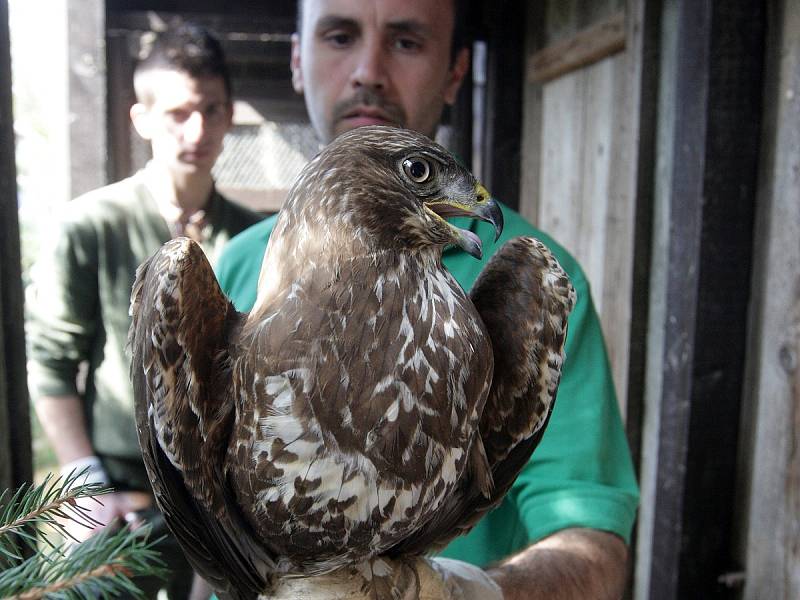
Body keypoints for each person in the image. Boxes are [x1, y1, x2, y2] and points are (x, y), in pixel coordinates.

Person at [214, 1, 639, 599]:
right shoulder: (232, 268)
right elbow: (205, 522)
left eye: (407, 42)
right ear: (297, 60)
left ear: (456, 71)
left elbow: (592, 537)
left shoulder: (531, 279)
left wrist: (473, 594)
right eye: (339, 36)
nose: (369, 70)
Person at [26, 22, 262, 599]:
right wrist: (86, 483)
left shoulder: (255, 238)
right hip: (120, 491)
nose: (198, 129)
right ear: (144, 119)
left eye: (212, 109)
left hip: (222, 499)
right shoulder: (91, 225)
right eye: (180, 112)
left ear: (231, 115)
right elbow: (51, 360)